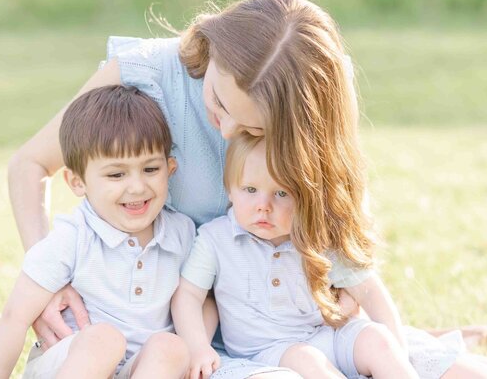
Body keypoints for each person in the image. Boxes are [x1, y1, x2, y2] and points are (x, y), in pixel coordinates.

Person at [8, 0, 487, 378]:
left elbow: (335, 243)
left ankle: (431, 342)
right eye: (220, 103)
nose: (226, 130)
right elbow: (29, 165)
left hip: (283, 325)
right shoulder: (145, 73)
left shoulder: (300, 126)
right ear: (213, 52)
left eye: (252, 130)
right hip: (176, 339)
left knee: (473, 375)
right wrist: (50, 284)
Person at [0, 85, 194, 379]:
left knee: (172, 347)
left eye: (150, 169)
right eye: (116, 174)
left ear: (170, 169)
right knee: (104, 339)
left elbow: (197, 301)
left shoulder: (181, 233)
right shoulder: (74, 236)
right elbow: (14, 317)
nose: (137, 186)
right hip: (71, 364)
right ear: (77, 182)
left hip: (136, 369)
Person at [173, 134, 420, 379]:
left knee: (377, 341)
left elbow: (369, 291)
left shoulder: (315, 236)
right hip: (266, 350)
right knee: (307, 359)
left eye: (281, 193)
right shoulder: (215, 239)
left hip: (327, 336)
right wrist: (198, 347)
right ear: (230, 190)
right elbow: (188, 296)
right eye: (250, 190)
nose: (263, 205)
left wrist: (398, 350)